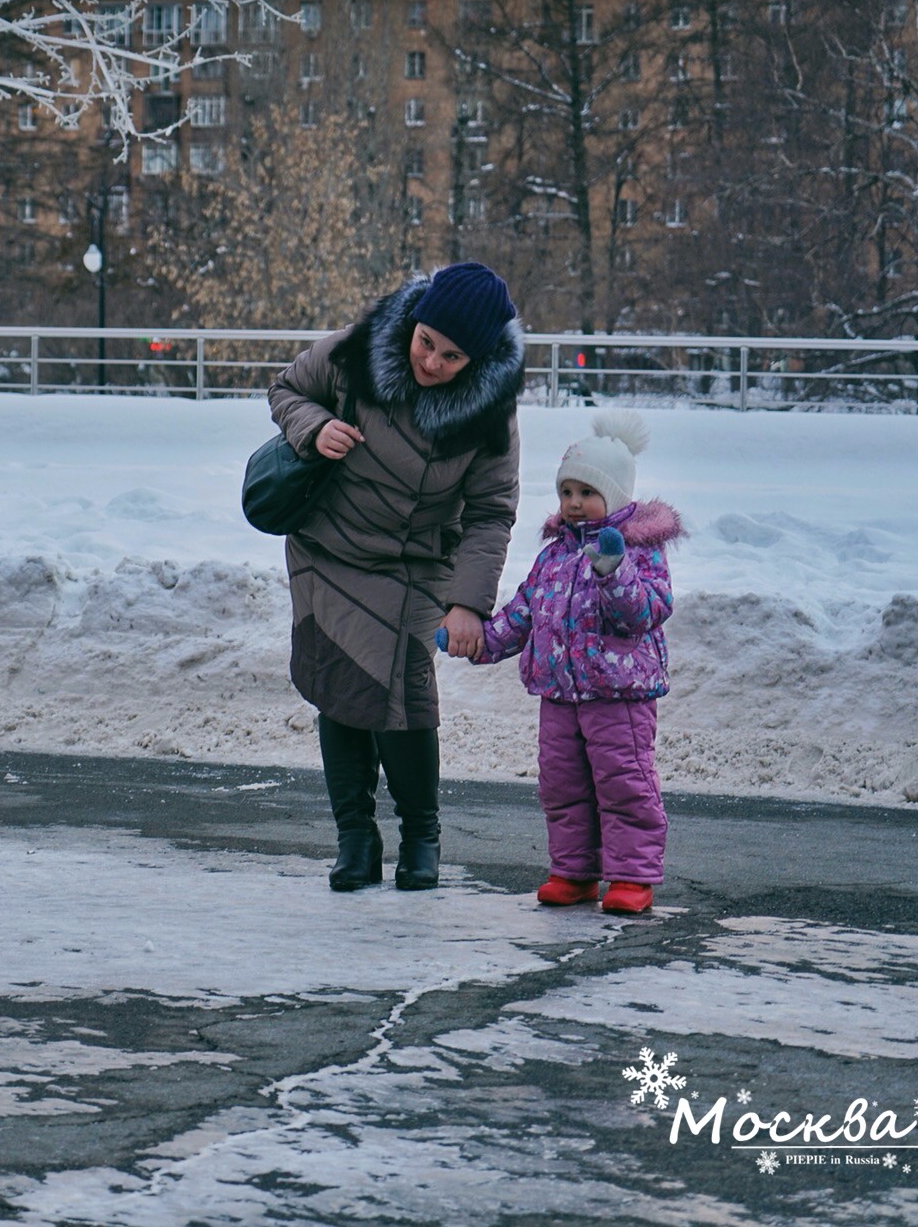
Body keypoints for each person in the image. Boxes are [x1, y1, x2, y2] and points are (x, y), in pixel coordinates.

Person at [268, 262, 525, 892]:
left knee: (405, 693)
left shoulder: (491, 412)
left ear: (481, 357)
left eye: (452, 355)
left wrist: (468, 603)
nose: (432, 361)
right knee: (340, 680)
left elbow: (492, 514)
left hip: (415, 562)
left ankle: (421, 836)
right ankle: (355, 837)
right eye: (426, 341)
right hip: (330, 546)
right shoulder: (358, 347)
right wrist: (315, 426)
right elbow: (285, 390)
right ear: (413, 322)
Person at [465, 412, 679, 915]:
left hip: (619, 696)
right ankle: (574, 872)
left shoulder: (639, 549)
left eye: (587, 492)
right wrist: (482, 641)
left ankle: (631, 877)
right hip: (559, 695)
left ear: (618, 495)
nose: (575, 504)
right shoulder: (555, 555)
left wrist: (613, 572)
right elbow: (524, 610)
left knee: (624, 783)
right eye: (568, 493)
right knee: (562, 786)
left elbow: (645, 612)